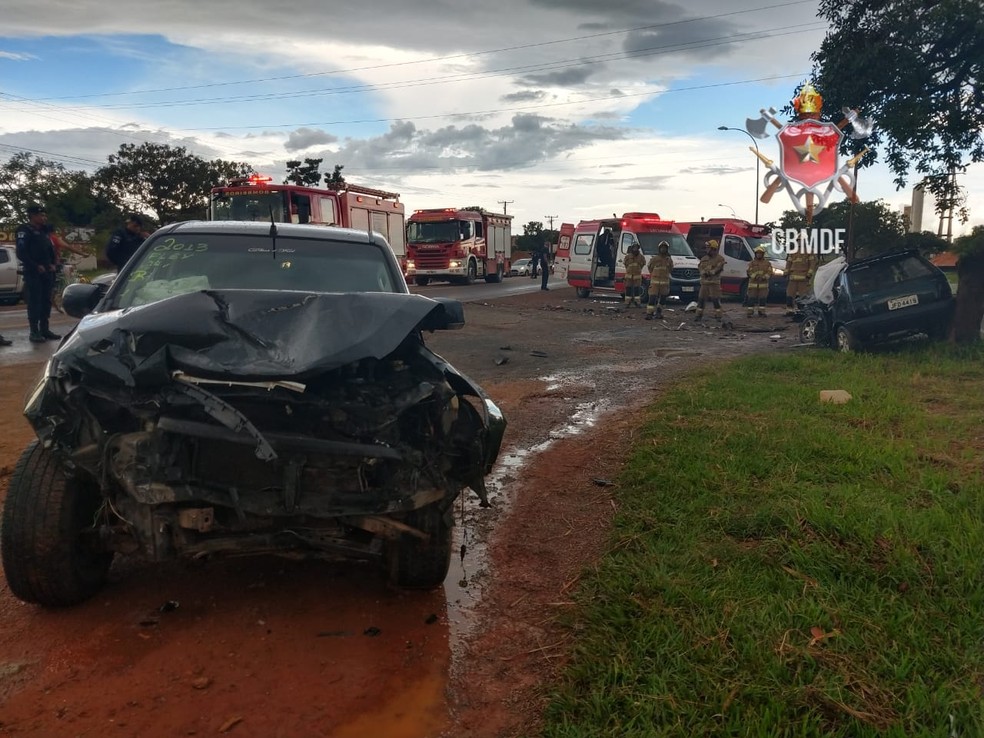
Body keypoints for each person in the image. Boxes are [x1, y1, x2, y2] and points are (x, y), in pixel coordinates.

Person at [15, 204, 59, 343]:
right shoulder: (24, 230)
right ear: (33, 216)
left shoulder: (45, 231)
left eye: (44, 215)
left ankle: (44, 329)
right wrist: (35, 265)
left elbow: (50, 249)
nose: (44, 218)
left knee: (46, 301)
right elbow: (21, 252)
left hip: (47, 271)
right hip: (33, 271)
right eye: (41, 215)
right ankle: (34, 332)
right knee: (35, 302)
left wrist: (53, 264)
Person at [696, 239, 725, 322]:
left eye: (708, 248)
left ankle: (718, 316)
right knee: (701, 299)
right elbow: (700, 268)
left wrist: (711, 272)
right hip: (704, 283)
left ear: (714, 249)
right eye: (706, 248)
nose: (707, 250)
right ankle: (698, 315)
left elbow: (718, 269)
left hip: (714, 283)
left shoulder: (720, 259)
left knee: (716, 300)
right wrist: (703, 272)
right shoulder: (704, 258)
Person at [645, 240, 673, 320]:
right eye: (662, 248)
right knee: (652, 298)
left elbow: (671, 269)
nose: (663, 250)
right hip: (655, 283)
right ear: (659, 249)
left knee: (663, 300)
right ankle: (649, 313)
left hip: (664, 283)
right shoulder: (654, 259)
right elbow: (650, 268)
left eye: (665, 248)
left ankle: (659, 313)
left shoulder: (669, 260)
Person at [785, 249, 817, 315]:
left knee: (803, 296)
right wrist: (786, 272)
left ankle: (803, 312)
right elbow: (788, 263)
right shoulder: (793, 252)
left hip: (803, 278)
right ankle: (790, 311)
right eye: (799, 241)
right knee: (789, 295)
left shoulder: (809, 252)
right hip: (793, 278)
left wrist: (809, 273)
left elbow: (812, 264)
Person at [745, 245, 772, 317]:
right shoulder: (752, 263)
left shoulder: (767, 263)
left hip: (763, 285)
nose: (759, 254)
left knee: (763, 299)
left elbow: (770, 272)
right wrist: (755, 277)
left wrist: (763, 277)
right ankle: (750, 312)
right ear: (755, 254)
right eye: (757, 253)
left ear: (763, 254)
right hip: (753, 284)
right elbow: (749, 272)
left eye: (760, 253)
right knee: (751, 298)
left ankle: (761, 312)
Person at [622, 241, 646, 307]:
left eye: (636, 248)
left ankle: (637, 303)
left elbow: (643, 263)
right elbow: (625, 264)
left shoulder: (641, 257)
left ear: (638, 248)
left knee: (637, 290)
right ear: (632, 248)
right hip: (629, 276)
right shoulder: (627, 257)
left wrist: (638, 269)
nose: (635, 249)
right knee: (628, 290)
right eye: (634, 247)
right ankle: (627, 303)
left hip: (637, 276)